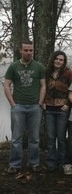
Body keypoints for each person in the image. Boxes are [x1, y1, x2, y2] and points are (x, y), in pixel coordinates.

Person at [3, 40, 46, 174]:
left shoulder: (39, 67)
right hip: (18, 107)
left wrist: (40, 103)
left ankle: (34, 163)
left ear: (33, 51)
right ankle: (15, 164)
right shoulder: (14, 67)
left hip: (34, 107)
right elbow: (6, 85)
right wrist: (12, 104)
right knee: (16, 138)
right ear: (20, 51)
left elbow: (43, 85)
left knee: (34, 138)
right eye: (26, 50)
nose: (28, 53)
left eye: (31, 50)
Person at [44, 51, 72, 172]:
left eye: (61, 60)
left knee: (61, 137)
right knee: (51, 137)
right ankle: (51, 162)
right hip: (49, 109)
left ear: (64, 61)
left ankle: (62, 161)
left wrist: (68, 104)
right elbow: (42, 87)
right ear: (53, 59)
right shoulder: (47, 72)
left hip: (62, 109)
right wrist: (43, 102)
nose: (58, 61)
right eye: (57, 59)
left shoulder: (68, 73)